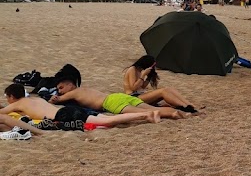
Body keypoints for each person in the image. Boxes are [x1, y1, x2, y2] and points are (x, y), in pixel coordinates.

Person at [1, 84, 162, 131]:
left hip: (64, 116)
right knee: (105, 120)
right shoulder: (34, 98)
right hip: (66, 110)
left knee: (108, 121)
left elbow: (2, 113)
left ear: (11, 97)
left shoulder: (17, 104)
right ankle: (146, 115)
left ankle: (145, 115)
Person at [51, 72, 185, 120]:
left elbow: (57, 100)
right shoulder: (84, 89)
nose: (61, 91)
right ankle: (185, 112)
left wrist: (54, 98)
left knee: (148, 111)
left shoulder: (73, 92)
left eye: (61, 88)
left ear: (70, 84)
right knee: (148, 107)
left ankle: (173, 114)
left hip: (111, 102)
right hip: (118, 96)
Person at [122, 55, 198, 113]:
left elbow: (142, 86)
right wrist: (143, 75)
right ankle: (184, 107)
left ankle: (189, 105)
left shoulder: (139, 70)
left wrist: (149, 77)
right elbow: (133, 88)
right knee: (162, 91)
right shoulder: (133, 69)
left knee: (168, 89)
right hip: (133, 98)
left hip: (139, 95)